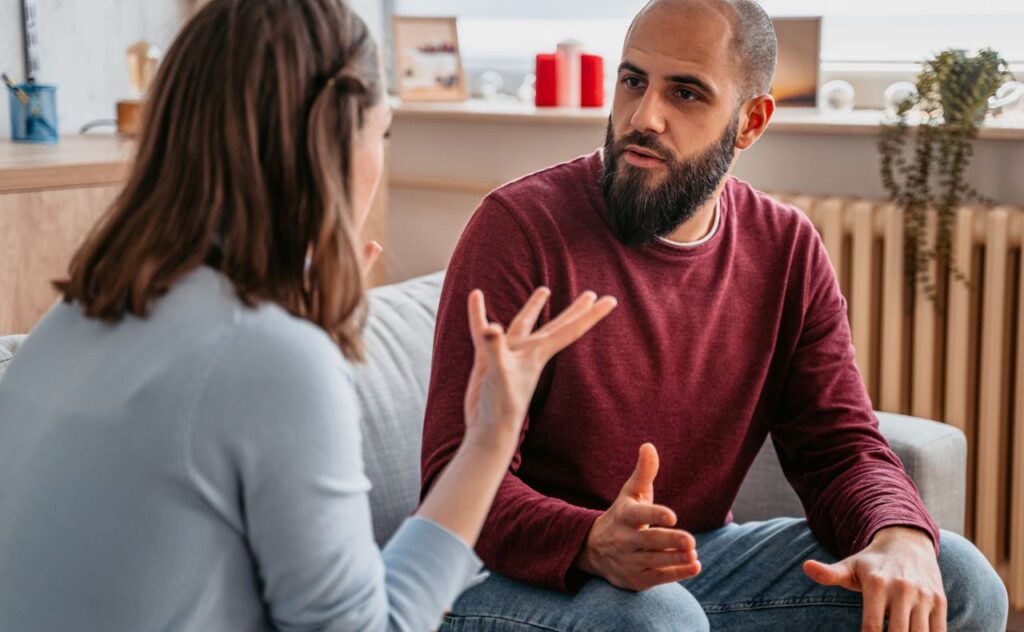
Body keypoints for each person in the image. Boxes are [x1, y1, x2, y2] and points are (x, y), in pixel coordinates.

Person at [0, 1, 616, 630]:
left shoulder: (78, 312)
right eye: (383, 133)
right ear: (335, 140)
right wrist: (490, 437)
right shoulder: (267, 353)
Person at [420, 1, 1008, 630]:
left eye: (687, 93)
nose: (645, 117)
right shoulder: (518, 229)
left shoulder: (786, 248)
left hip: (691, 563)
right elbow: (452, 479)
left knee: (963, 579)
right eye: (633, 81)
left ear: (750, 121)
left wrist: (899, 534)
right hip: (501, 576)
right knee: (656, 619)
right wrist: (592, 539)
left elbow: (838, 445)